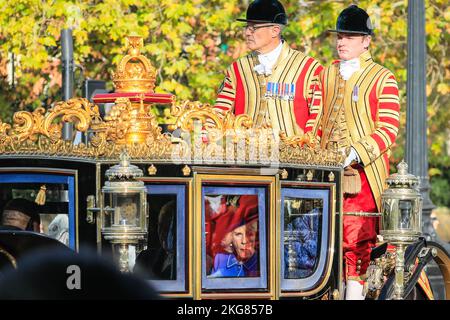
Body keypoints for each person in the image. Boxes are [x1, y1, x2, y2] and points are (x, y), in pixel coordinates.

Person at [307, 5, 400, 299]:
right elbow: (315, 118)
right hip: (325, 172)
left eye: (349, 36)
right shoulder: (326, 74)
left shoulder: (383, 77)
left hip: (362, 174)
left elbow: (388, 128)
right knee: (317, 234)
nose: (341, 41)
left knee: (355, 237)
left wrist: (354, 153)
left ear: (366, 41)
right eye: (339, 36)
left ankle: (355, 295)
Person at [214, 0, 322, 136]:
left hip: (293, 155)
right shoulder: (238, 68)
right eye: (247, 26)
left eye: (254, 27)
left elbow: (318, 117)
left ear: (275, 30)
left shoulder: (310, 68)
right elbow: (220, 112)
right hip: (246, 153)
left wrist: (309, 149)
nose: (247, 32)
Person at [209, 196, 259, 278]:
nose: (244, 241)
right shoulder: (221, 258)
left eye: (250, 234)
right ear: (231, 238)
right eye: (238, 234)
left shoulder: (263, 261)